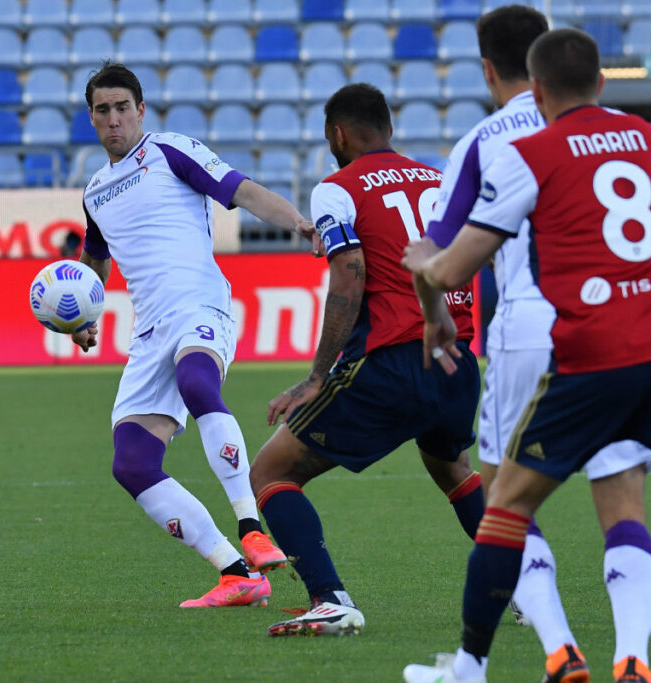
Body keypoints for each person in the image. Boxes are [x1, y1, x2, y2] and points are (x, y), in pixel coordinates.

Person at [402, 29, 651, 683]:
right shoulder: (647, 137)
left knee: (506, 506)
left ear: (536, 91)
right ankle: (631, 656)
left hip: (595, 355)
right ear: (603, 84)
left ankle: (475, 664)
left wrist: (426, 269)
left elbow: (454, 266)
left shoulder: (529, 153)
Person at [423, 7, 651, 681]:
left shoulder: (481, 142)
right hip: (616, 325)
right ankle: (633, 656)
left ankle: (559, 648)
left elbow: (439, 253)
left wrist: (434, 313)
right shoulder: (620, 129)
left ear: (489, 69)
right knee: (622, 498)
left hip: (528, 328)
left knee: (506, 503)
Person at [73, 62, 318, 607]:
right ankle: (237, 574)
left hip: (199, 304)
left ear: (141, 110)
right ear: (91, 118)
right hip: (149, 332)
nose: (113, 119)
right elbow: (95, 259)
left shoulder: (170, 151)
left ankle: (251, 528)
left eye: (122, 108)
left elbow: (242, 190)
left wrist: (297, 221)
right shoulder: (94, 193)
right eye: (102, 110)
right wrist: (83, 316)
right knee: (131, 463)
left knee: (197, 382)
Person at [248, 83, 485, 636]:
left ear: (337, 134)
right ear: (390, 129)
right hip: (456, 358)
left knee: (271, 471)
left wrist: (315, 377)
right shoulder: (439, 180)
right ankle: (525, 586)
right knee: (451, 466)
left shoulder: (337, 188)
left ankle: (329, 599)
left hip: (391, 362)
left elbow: (350, 273)